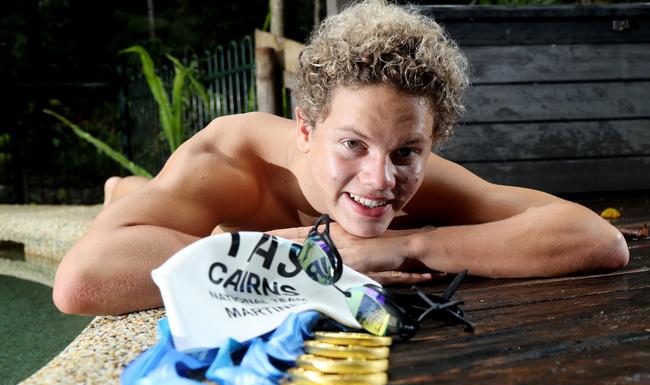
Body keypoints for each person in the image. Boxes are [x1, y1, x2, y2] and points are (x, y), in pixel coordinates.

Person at [53, 0, 628, 316]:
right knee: (132, 196)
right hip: (208, 204)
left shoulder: (402, 172)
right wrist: (320, 250)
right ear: (306, 130)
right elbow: (81, 282)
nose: (381, 180)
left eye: (407, 151)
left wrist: (405, 244)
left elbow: (597, 239)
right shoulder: (226, 160)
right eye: (352, 144)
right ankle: (122, 188)